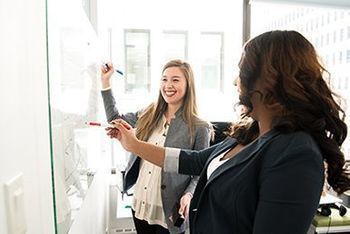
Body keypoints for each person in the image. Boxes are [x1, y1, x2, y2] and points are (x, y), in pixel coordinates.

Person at [106, 30, 350, 234]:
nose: (236, 81)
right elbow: (195, 160)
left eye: (242, 70)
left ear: (269, 79)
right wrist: (133, 145)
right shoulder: (249, 133)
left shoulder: (296, 153)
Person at [100, 59, 211, 234]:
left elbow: (200, 172)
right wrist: (106, 82)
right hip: (141, 204)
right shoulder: (148, 113)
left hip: (168, 211)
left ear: (188, 84)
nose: (168, 85)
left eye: (175, 80)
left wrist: (189, 194)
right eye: (164, 79)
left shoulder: (199, 127)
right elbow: (114, 119)